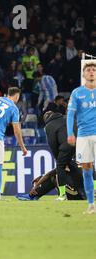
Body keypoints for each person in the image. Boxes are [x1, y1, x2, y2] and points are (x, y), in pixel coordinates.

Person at [66, 62, 96, 214]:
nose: (91, 72)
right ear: (84, 75)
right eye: (88, 70)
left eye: (94, 70)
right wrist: (70, 133)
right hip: (83, 136)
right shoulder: (77, 93)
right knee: (86, 169)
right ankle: (91, 205)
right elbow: (70, 113)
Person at [44, 110, 83, 200]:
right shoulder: (67, 118)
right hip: (81, 141)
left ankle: (62, 195)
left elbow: (53, 144)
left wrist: (58, 160)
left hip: (67, 145)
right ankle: (93, 191)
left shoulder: (49, 126)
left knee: (60, 166)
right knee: (86, 165)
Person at [16, 166, 86, 201]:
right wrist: (41, 176)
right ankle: (34, 196)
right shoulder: (76, 160)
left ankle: (33, 195)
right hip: (82, 194)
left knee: (55, 176)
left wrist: (35, 186)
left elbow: (49, 174)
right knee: (55, 175)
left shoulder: (67, 160)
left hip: (77, 194)